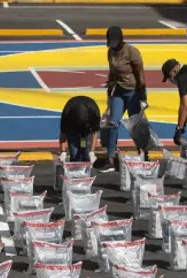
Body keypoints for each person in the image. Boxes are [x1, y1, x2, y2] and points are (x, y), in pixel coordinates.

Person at [100, 25, 147, 173]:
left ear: (120, 39)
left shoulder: (132, 52)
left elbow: (140, 74)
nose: (112, 45)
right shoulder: (110, 52)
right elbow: (112, 73)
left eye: (114, 42)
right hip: (118, 91)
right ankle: (111, 159)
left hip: (133, 92)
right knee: (113, 123)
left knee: (135, 125)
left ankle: (143, 154)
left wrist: (143, 96)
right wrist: (109, 94)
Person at [59, 96, 101, 163]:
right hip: (72, 128)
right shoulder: (67, 114)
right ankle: (74, 167)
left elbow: (94, 134)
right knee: (74, 154)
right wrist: (63, 152)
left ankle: (85, 163)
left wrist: (92, 152)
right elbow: (63, 133)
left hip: (85, 131)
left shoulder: (94, 113)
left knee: (86, 152)